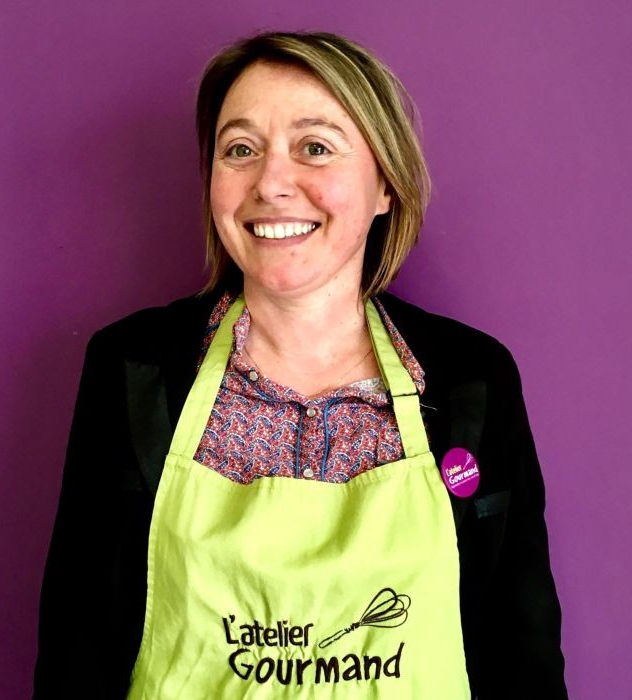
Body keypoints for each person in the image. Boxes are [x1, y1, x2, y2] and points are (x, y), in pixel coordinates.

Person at [34, 31, 567, 699]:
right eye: (240, 150)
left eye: (314, 147)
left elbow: (523, 652)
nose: (271, 182)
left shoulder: (471, 379)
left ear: (385, 185)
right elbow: (76, 649)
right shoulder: (132, 368)